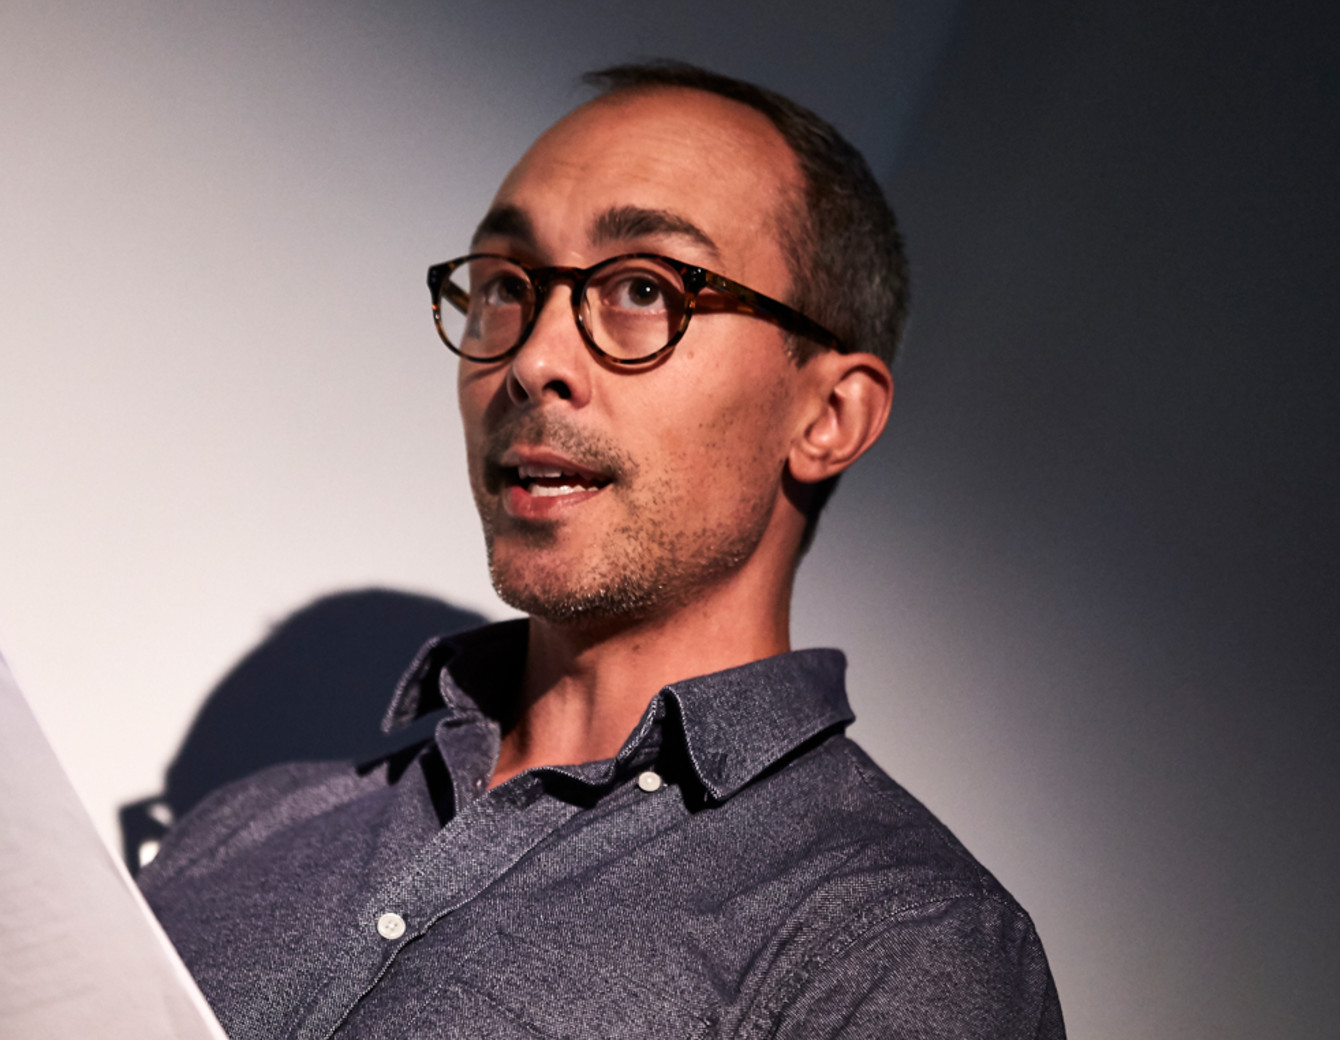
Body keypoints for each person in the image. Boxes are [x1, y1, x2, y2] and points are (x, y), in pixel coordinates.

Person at [139, 61, 1065, 1038]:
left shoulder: (896, 943)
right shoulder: (244, 829)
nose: (533, 359)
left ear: (828, 414)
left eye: (642, 288)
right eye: (505, 286)